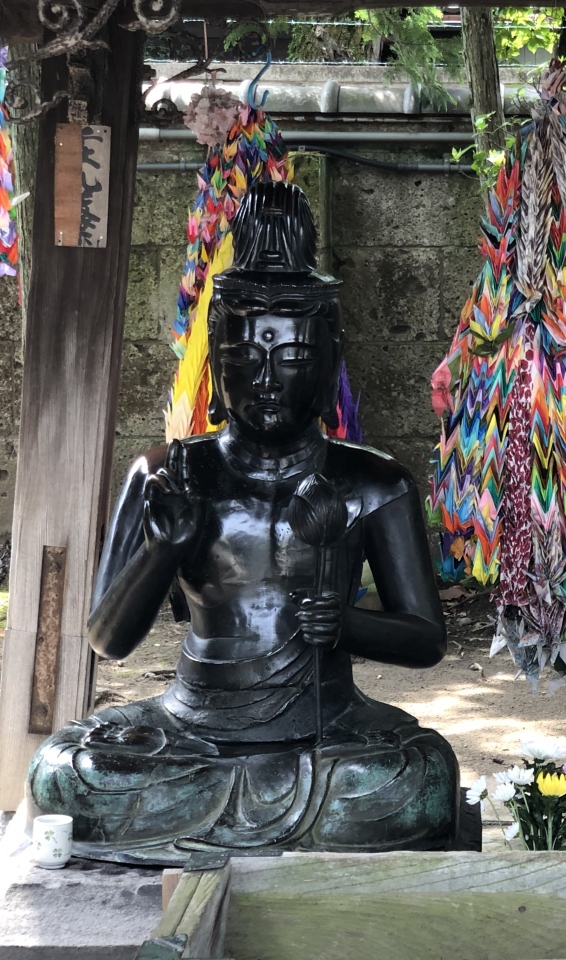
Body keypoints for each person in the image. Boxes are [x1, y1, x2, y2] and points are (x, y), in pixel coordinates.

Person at [28, 182, 458, 865]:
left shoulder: (373, 483)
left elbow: (426, 640)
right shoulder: (167, 473)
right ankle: (263, 827)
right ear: (216, 361)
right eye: (243, 358)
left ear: (328, 362)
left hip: (325, 732)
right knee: (63, 770)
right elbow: (108, 640)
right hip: (189, 726)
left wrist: (347, 626)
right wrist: (164, 550)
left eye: (292, 359)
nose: (265, 380)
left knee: (420, 776)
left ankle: (204, 832)